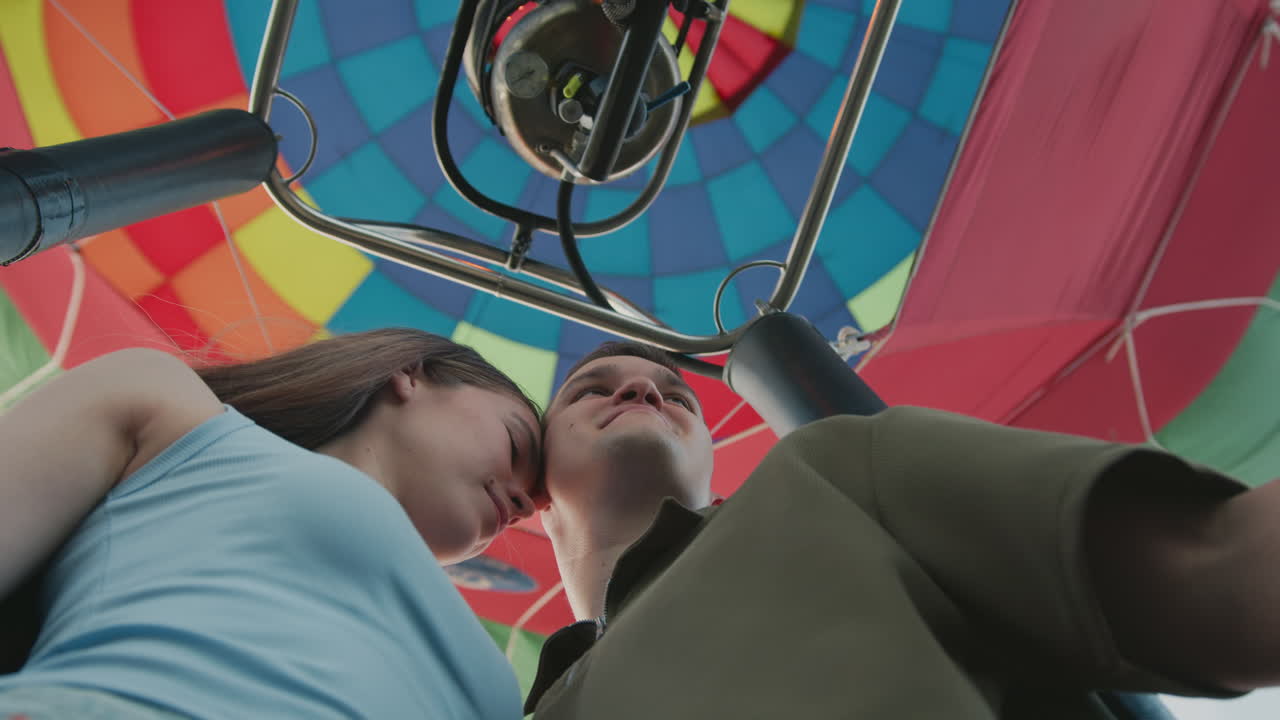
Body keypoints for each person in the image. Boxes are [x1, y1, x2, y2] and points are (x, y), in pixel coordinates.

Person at [525, 340, 1277, 719]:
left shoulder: (829, 474)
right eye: (592, 391)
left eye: (677, 395)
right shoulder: (496, 703)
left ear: (709, 458)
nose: (640, 388)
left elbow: (1221, 570)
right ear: (529, 491)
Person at [0, 328, 547, 719]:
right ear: (410, 376)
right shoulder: (174, 412)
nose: (522, 502)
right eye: (515, 444)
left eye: (533, 508)